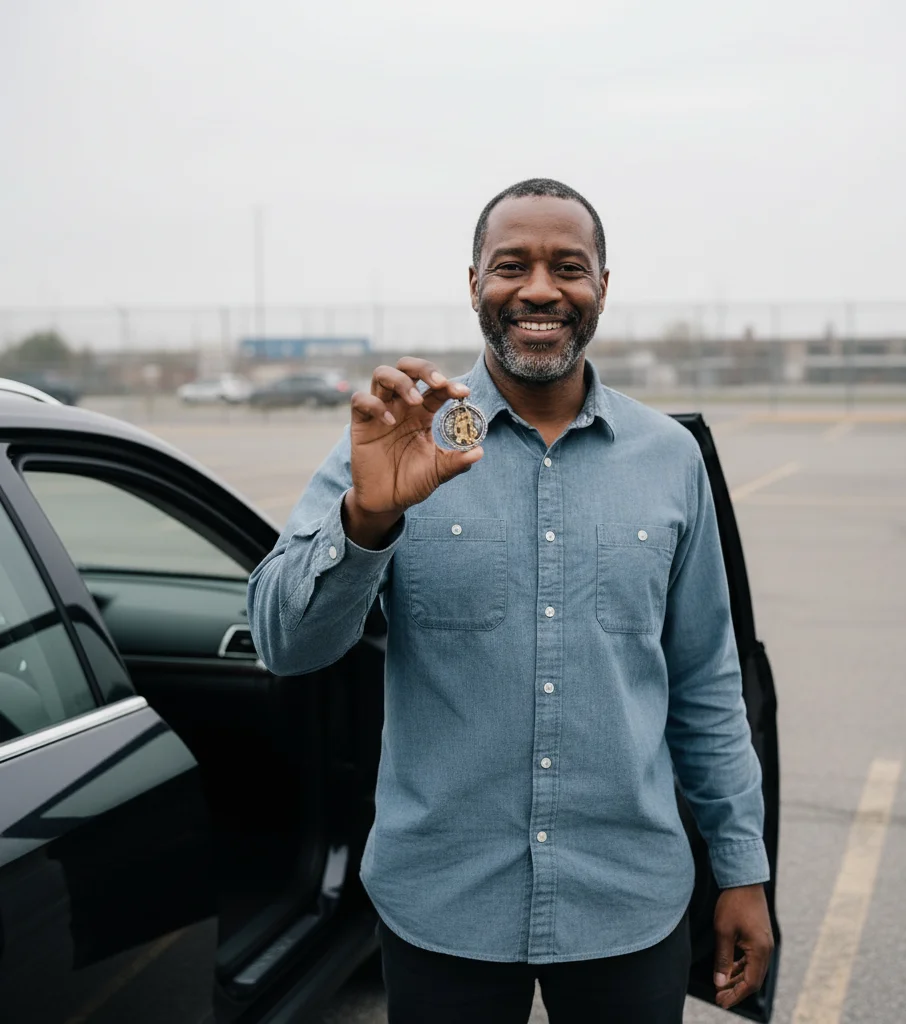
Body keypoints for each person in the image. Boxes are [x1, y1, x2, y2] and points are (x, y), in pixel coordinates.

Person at [247, 178, 774, 1023]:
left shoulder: (670, 459)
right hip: (442, 903)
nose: (538, 289)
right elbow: (285, 642)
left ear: (602, 286)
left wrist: (743, 870)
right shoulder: (399, 439)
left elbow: (706, 684)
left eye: (568, 267)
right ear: (473, 286)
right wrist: (370, 516)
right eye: (511, 265)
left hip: (627, 903)